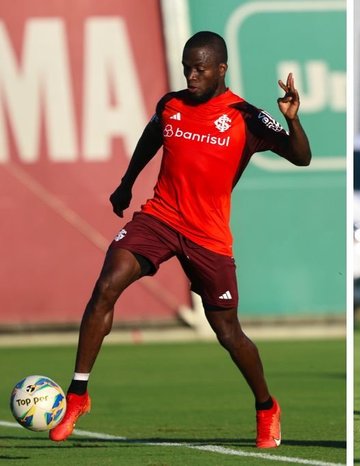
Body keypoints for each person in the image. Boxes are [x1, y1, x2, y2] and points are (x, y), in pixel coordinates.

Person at [49, 31, 311, 448]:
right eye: (187, 67)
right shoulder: (171, 106)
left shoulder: (246, 117)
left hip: (208, 235)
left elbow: (302, 156)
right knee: (106, 286)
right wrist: (126, 184)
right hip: (160, 218)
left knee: (227, 332)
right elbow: (150, 139)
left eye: (200, 69)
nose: (191, 75)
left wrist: (293, 118)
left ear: (221, 69)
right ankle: (78, 395)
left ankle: (266, 407)